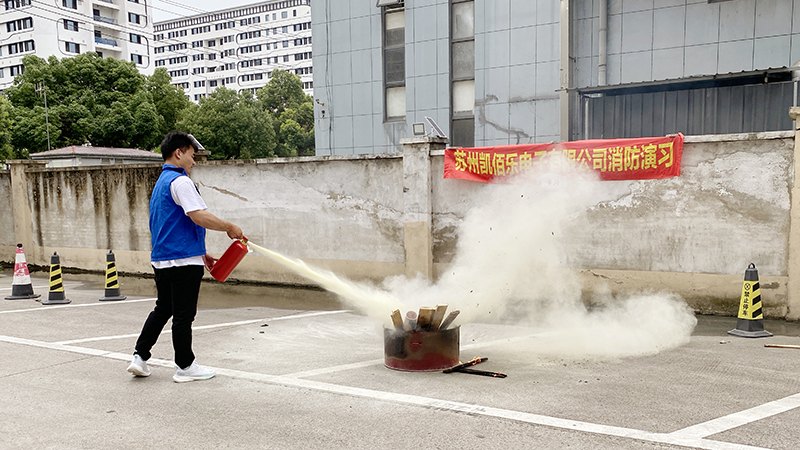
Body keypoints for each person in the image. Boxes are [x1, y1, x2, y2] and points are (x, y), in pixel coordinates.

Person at [127, 131, 245, 383]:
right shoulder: (181, 182)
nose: (194, 161)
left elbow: (171, 225)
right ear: (179, 153)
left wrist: (200, 253)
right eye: (192, 156)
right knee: (183, 314)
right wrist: (229, 227)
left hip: (163, 258)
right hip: (182, 262)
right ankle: (185, 365)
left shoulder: (161, 183)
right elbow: (198, 215)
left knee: (163, 308)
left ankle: (139, 356)